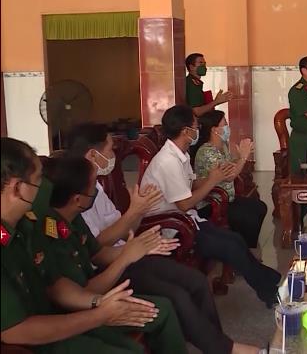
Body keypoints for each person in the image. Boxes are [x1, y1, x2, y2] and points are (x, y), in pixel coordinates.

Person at [66, 123, 262, 354]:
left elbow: (124, 228)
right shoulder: (75, 197)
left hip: (129, 252)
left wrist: (138, 213)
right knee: (177, 295)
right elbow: (97, 247)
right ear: (93, 155)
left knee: (197, 281)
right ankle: (225, 348)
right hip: (112, 266)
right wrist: (132, 226)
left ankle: (217, 345)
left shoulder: (96, 187)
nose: (113, 155)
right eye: (110, 149)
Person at [1, 137, 182, 354]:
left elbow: (55, 284)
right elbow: (17, 331)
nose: (46, 187)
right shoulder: (40, 221)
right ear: (18, 188)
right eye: (39, 179)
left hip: (56, 317)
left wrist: (99, 303)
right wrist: (99, 315)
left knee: (135, 345)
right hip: (28, 343)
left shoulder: (27, 224)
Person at [141, 105, 281, 308]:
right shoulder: (167, 161)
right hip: (171, 229)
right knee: (230, 246)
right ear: (185, 131)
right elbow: (184, 204)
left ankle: (271, 282)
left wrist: (213, 177)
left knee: (235, 239)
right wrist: (213, 180)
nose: (198, 130)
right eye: (195, 126)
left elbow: (191, 184)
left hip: (187, 219)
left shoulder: (180, 154)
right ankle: (270, 292)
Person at [192, 110, 266, 248]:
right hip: (212, 203)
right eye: (225, 124)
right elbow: (229, 176)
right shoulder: (207, 151)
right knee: (248, 216)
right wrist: (243, 157)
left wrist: (240, 156)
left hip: (227, 199)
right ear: (215, 130)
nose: (228, 127)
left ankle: (247, 246)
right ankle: (244, 248)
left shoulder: (222, 146)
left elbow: (230, 165)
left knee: (259, 207)